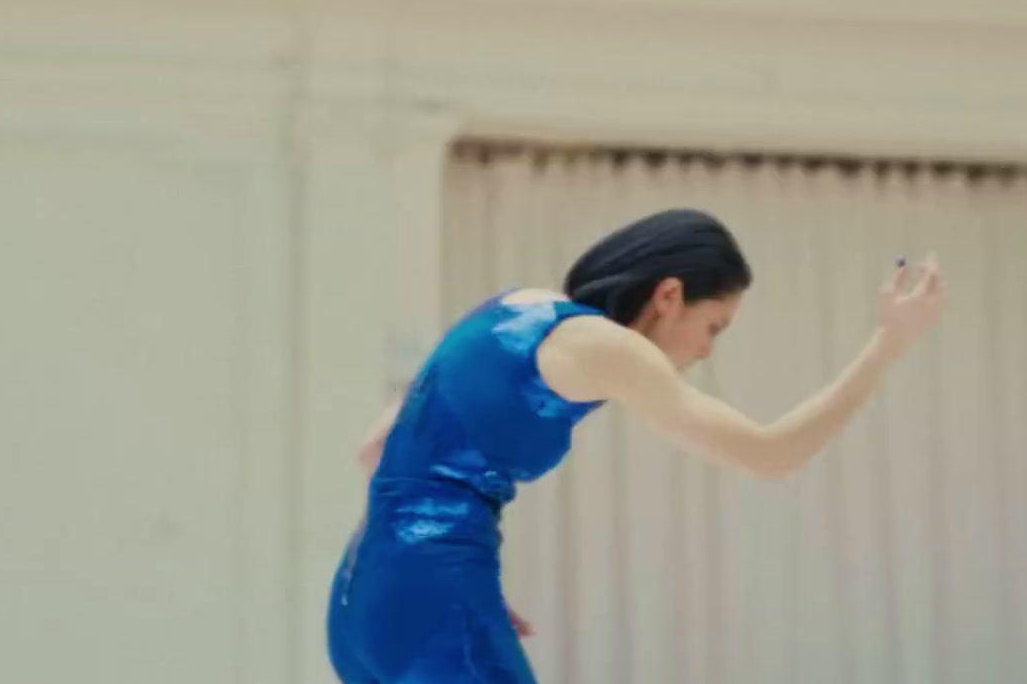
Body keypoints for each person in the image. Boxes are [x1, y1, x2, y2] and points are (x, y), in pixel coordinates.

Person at [326, 207, 945, 684]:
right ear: (668, 296)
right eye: (714, 327)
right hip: (432, 590)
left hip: (359, 598)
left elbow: (376, 450)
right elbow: (770, 454)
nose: (707, 350)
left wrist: (429, 568)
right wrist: (887, 346)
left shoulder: (516, 306)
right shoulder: (604, 346)